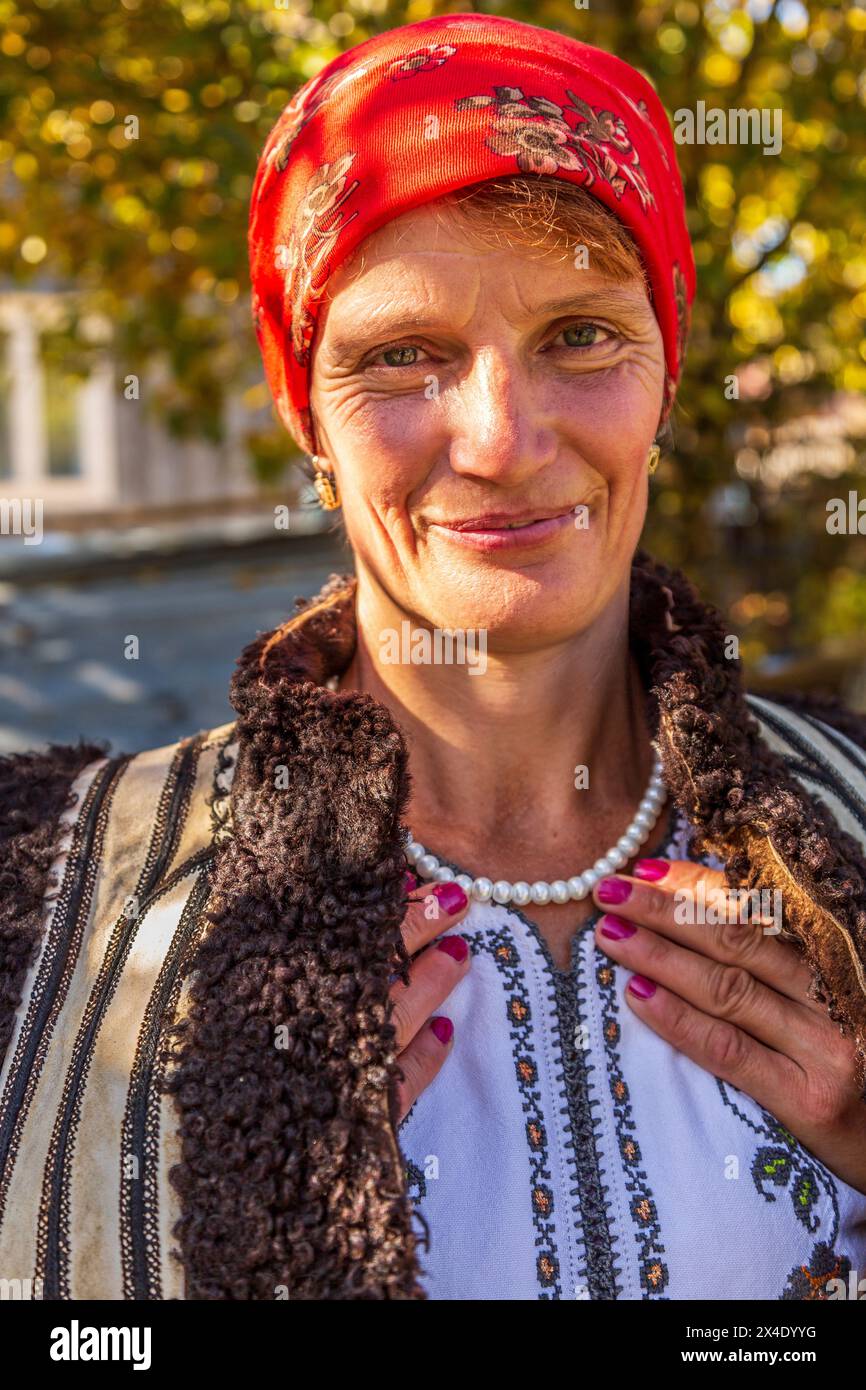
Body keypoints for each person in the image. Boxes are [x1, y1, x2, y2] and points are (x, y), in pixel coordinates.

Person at [2, 13, 866, 1302]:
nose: (502, 440)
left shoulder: (846, 829)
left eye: (580, 334)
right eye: (403, 354)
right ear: (309, 414)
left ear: (665, 377)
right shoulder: (49, 900)